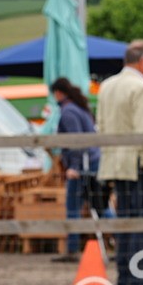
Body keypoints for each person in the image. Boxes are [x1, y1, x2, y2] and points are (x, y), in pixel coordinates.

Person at [97, 40, 143, 285]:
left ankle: (125, 282)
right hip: (141, 166)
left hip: (116, 166)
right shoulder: (141, 87)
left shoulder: (106, 86)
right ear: (141, 60)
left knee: (124, 227)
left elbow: (102, 127)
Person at [50, 77, 100, 264]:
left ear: (58, 93)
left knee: (73, 206)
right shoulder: (80, 108)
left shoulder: (68, 112)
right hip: (92, 161)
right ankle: (120, 241)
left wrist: (74, 167)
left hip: (83, 165)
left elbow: (76, 141)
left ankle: (72, 249)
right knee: (99, 204)